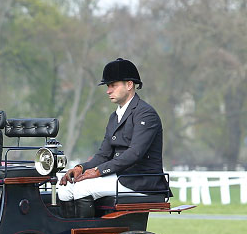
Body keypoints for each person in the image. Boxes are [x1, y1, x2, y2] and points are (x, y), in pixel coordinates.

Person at [57, 57, 169, 217]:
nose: (108, 90)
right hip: (119, 176)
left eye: (113, 85)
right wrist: (80, 168)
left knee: (83, 188)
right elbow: (103, 155)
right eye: (108, 86)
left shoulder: (146, 114)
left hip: (140, 180)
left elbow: (135, 154)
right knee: (65, 187)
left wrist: (98, 171)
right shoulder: (114, 117)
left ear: (129, 85)